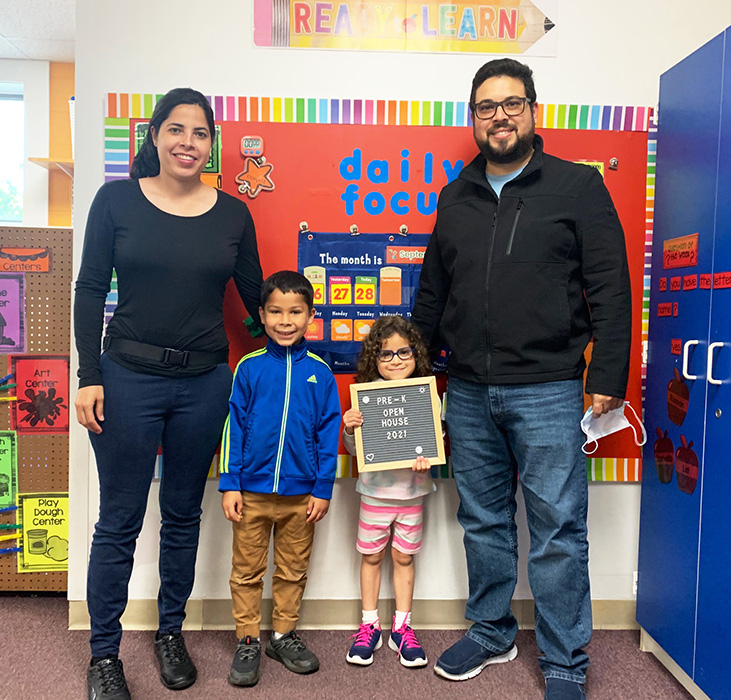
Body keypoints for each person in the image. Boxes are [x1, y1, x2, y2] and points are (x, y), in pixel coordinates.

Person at [411, 58, 631, 700]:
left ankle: (565, 660)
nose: (499, 115)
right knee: (481, 519)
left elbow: (610, 289)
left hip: (549, 388)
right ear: (472, 117)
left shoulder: (577, 187)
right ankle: (492, 629)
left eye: (511, 103)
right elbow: (431, 295)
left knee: (559, 527)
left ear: (534, 110)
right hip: (469, 391)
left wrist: (609, 374)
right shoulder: (456, 195)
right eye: (486, 106)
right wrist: (410, 383)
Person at [74, 87, 264, 700]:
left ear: (212, 144)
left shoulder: (234, 213)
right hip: (126, 379)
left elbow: (256, 298)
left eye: (201, 133)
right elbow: (87, 289)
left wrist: (298, 337)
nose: (188, 142)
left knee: (183, 516)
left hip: (206, 383)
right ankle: (104, 655)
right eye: (176, 129)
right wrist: (88, 377)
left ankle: (169, 633)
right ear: (153, 136)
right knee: (120, 520)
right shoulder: (116, 200)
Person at [219, 270, 341, 688]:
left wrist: (323, 487)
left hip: (301, 497)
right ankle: (248, 638)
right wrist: (230, 482)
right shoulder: (249, 369)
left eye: (295, 312)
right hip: (250, 493)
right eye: (275, 312)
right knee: (247, 570)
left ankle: (283, 635)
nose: (285, 321)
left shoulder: (320, 373)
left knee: (292, 569)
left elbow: (329, 432)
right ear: (262, 315)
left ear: (310, 317)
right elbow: (233, 426)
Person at [342, 315, 436, 669]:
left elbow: (434, 445)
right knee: (371, 558)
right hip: (375, 496)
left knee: (404, 559)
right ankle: (369, 625)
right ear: (373, 360)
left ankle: (402, 627)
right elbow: (354, 451)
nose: (395, 360)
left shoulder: (426, 399)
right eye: (386, 355)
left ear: (416, 355)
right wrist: (350, 430)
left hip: (412, 497)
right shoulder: (365, 401)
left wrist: (430, 459)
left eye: (404, 352)